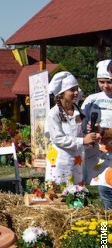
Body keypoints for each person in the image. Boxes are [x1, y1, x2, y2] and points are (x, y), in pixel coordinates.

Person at [46, 71, 99, 186]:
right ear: (61, 93)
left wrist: (91, 134)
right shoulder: (54, 114)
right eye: (72, 90)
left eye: (77, 89)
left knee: (75, 192)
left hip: (76, 160)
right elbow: (58, 138)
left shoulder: (78, 112)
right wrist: (82, 140)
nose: (76, 93)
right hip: (60, 161)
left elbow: (82, 133)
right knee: (58, 191)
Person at [81, 60, 112, 209]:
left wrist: (104, 132)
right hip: (99, 154)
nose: (106, 86)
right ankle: (104, 231)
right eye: (102, 82)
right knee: (105, 192)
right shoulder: (92, 100)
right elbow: (81, 124)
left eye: (109, 81)